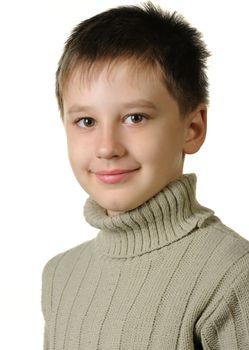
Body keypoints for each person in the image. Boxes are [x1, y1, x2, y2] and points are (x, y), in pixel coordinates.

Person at [41, 2, 249, 349]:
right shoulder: (60, 276)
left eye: (135, 117)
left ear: (193, 128)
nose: (107, 147)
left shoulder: (230, 275)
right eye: (86, 122)